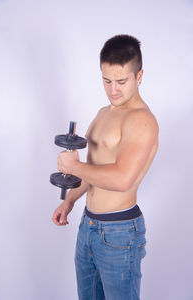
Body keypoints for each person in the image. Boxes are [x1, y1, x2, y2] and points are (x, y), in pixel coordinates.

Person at [52, 34, 159, 300]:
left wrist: (74, 168)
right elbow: (96, 171)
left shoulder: (141, 121)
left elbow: (122, 179)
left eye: (121, 81)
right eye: (107, 80)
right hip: (88, 226)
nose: (113, 90)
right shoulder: (104, 113)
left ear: (139, 75)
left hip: (120, 233)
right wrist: (71, 201)